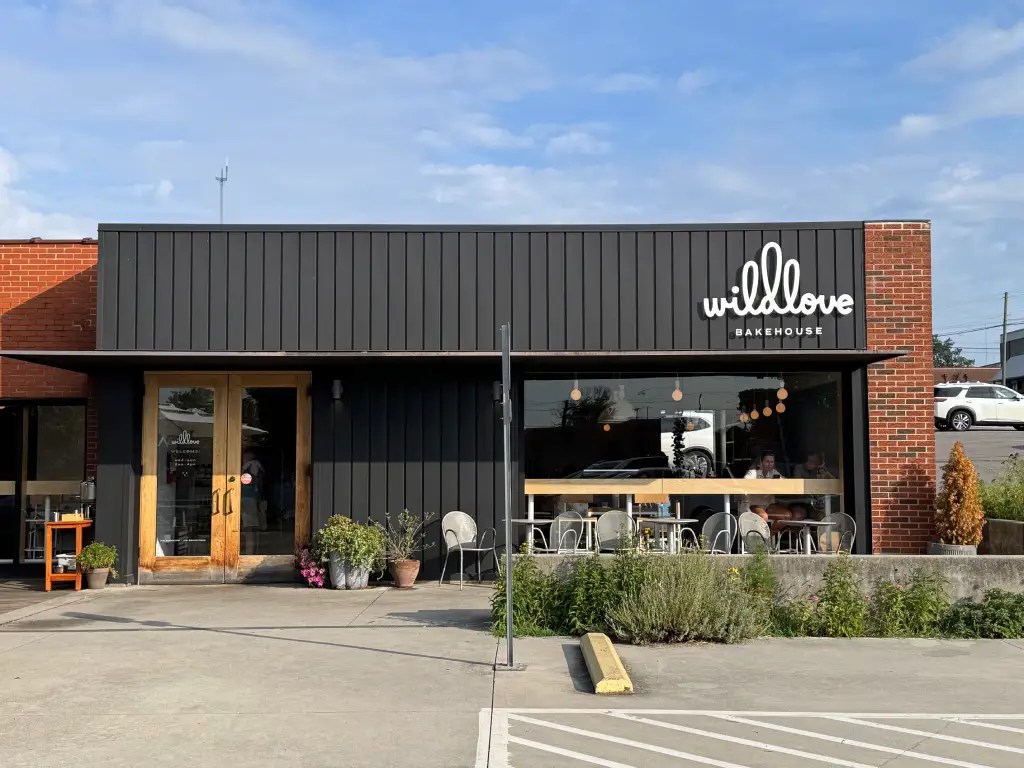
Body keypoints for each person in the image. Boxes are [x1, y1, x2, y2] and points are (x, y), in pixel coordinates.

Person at [738, 451, 804, 534]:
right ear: (761, 462)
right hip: (753, 505)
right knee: (763, 516)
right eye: (767, 462)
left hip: (768, 505)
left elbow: (786, 482)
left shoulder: (773, 472)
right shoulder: (753, 472)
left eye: (772, 462)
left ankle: (768, 538)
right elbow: (744, 484)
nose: (770, 464)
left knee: (787, 516)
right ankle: (757, 543)